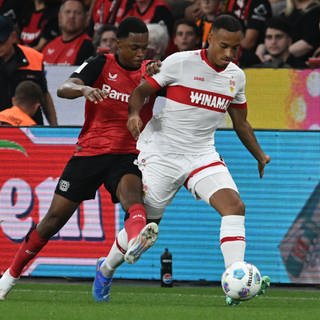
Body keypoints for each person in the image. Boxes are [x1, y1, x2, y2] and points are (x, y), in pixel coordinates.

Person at [0, 16, 160, 301]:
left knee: (133, 200)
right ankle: (8, 278)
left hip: (127, 154)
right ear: (118, 43)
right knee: (52, 221)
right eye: (134, 48)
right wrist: (85, 89)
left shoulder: (153, 71)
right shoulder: (101, 63)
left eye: (144, 49)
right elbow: (64, 88)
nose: (140, 54)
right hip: (90, 153)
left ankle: (136, 239)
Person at [125, 14, 271, 305]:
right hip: (163, 154)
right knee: (146, 229)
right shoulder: (179, 62)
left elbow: (241, 122)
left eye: (235, 48)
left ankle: (235, 278)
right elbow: (141, 91)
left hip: (201, 154)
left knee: (234, 206)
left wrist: (259, 154)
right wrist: (132, 114)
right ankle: (106, 268)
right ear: (210, 38)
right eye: (224, 46)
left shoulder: (235, 76)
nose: (229, 54)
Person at [0, 15, 57, 125]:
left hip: (32, 129)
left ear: (13, 36)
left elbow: (44, 94)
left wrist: (54, 126)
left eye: (1, 42)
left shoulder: (33, 58)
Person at [41, 0, 94, 65]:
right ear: (60, 17)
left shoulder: (88, 46)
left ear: (85, 19)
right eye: (67, 12)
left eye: (77, 13)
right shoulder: (48, 45)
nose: (71, 16)